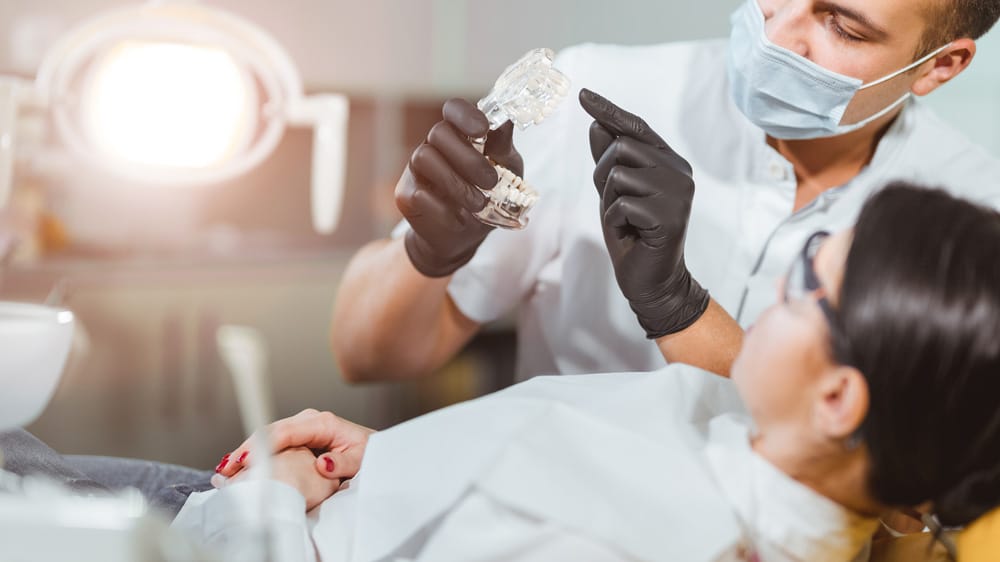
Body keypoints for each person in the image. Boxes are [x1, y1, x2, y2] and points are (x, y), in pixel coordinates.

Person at [184, 184, 1000, 561]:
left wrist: (269, 506)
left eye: (813, 280)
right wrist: (409, 459)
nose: (784, 281)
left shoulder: (631, 540)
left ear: (836, 398)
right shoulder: (738, 446)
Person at [331, 0, 1000, 384]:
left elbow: (884, 480)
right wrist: (426, 252)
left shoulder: (972, 217)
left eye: (843, 27)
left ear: (941, 65)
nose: (776, 34)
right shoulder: (593, 95)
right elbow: (365, 357)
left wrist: (678, 307)